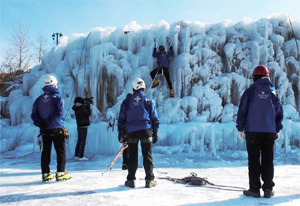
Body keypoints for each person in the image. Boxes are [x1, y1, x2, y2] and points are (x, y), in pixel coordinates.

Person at [236, 65, 283, 198]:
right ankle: (268, 189)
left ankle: (254, 189)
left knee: (254, 160)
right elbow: (279, 113)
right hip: (269, 132)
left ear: (255, 76)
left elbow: (242, 111)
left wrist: (240, 127)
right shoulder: (273, 93)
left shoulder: (250, 92)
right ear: (267, 77)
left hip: (253, 132)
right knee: (268, 160)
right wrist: (277, 128)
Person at [118, 78, 159, 188]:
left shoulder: (126, 102)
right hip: (145, 130)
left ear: (133, 88)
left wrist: (121, 131)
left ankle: (131, 180)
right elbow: (154, 117)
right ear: (143, 87)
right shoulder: (148, 101)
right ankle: (149, 180)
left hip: (132, 132)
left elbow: (122, 117)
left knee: (132, 156)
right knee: (147, 155)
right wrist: (155, 131)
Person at [31, 75, 71, 182]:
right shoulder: (58, 98)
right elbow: (59, 113)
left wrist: (41, 123)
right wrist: (49, 122)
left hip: (44, 130)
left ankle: (46, 173)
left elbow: (34, 114)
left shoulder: (38, 99)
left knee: (46, 151)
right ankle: (60, 172)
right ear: (55, 85)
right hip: (56, 128)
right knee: (60, 150)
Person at [121, 93, 133, 170]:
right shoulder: (132, 107)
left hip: (125, 130)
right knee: (131, 147)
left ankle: (125, 163)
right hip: (131, 130)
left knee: (125, 147)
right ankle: (130, 163)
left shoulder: (124, 106)